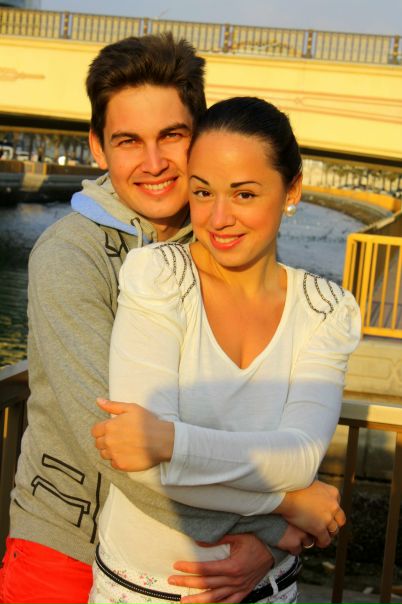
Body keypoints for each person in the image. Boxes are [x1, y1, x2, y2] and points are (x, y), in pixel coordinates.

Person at [0, 35, 293, 604]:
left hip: (187, 555)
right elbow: (108, 437)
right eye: (129, 141)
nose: (154, 163)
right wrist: (277, 524)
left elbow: (267, 408)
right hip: (68, 550)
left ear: (200, 137)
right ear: (98, 147)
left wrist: (267, 540)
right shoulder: (71, 255)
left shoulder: (224, 245)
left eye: (172, 136)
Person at [90, 96, 361, 603]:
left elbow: (300, 457)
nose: (218, 218)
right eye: (202, 192)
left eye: (244, 194)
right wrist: (284, 506)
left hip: (266, 590)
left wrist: (171, 442)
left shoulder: (325, 310)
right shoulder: (159, 277)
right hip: (139, 589)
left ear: (292, 190)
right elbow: (140, 464)